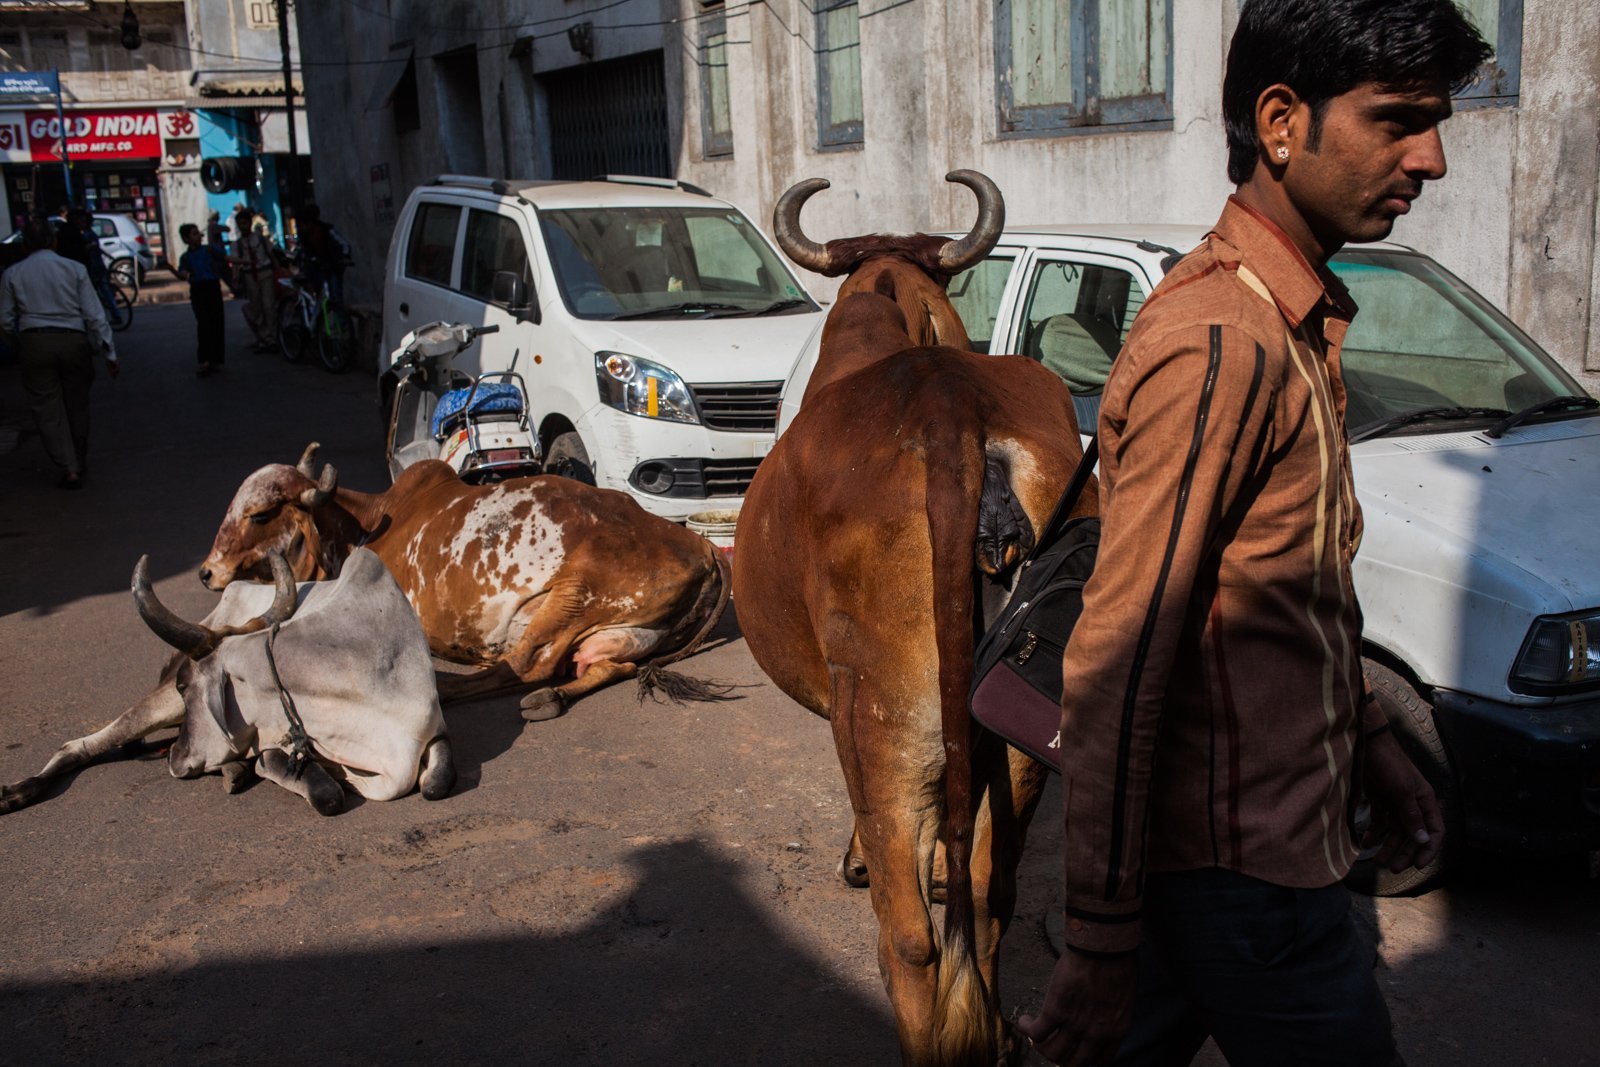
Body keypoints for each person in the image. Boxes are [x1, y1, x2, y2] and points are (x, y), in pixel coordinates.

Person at [1017, 2, 1491, 1065]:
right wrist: (1095, 931)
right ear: (1281, 121)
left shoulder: (1291, 316)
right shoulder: (1220, 340)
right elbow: (1120, 657)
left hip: (1261, 851)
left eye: (1436, 121)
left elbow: (1294, 587)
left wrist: (1369, 740)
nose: (1433, 158)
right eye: (1398, 121)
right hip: (1249, 882)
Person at [0, 218, 119, 489]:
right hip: (72, 340)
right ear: (54, 241)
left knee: (47, 408)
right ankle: (78, 456)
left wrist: (18, 345)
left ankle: (69, 466)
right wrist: (109, 353)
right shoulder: (74, 268)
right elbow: (95, 314)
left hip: (34, 341)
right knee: (77, 404)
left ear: (25, 244)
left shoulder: (13, 273)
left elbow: (4, 320)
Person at [175, 222, 227, 376]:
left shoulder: (209, 250)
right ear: (186, 239)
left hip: (212, 287)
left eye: (198, 233)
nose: (198, 236)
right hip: (198, 289)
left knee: (216, 322)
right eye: (194, 234)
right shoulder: (186, 257)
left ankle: (215, 359)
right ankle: (205, 359)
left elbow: (226, 257)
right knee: (204, 324)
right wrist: (172, 269)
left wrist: (244, 262)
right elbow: (182, 274)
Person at [229, 206, 279, 352]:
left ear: (249, 223)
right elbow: (235, 262)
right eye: (240, 224)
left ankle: (272, 337)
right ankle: (263, 338)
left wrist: (278, 270)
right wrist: (235, 276)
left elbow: (271, 255)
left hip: (265, 273)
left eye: (244, 223)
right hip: (250, 275)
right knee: (257, 307)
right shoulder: (237, 244)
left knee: (269, 306)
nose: (242, 227)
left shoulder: (261, 239)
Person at [294, 203, 352, 305]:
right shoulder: (303, 237)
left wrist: (344, 258)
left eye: (302, 224)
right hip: (316, 270)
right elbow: (301, 254)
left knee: (335, 298)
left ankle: (340, 318)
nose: (301, 227)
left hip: (332, 267)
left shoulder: (326, 230)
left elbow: (344, 245)